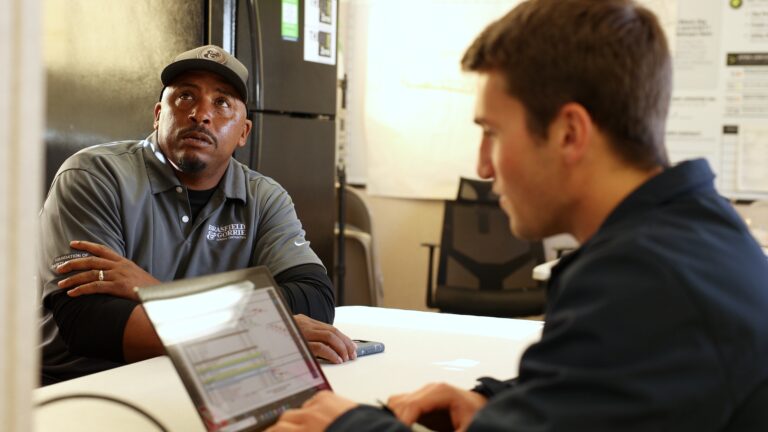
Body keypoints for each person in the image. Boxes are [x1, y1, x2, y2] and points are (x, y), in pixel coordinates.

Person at [266, 0, 768, 431]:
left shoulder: (646, 278)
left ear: (569, 133)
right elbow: (606, 387)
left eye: (493, 132)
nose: (484, 166)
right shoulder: (696, 229)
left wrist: (345, 425)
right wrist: (494, 402)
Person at [39, 45, 356, 385]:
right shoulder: (94, 176)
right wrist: (260, 333)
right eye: (186, 97)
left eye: (222, 103)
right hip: (83, 386)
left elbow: (314, 300)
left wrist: (156, 291)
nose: (201, 114)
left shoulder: (264, 197)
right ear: (159, 114)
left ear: (243, 132)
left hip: (205, 381)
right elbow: (89, 322)